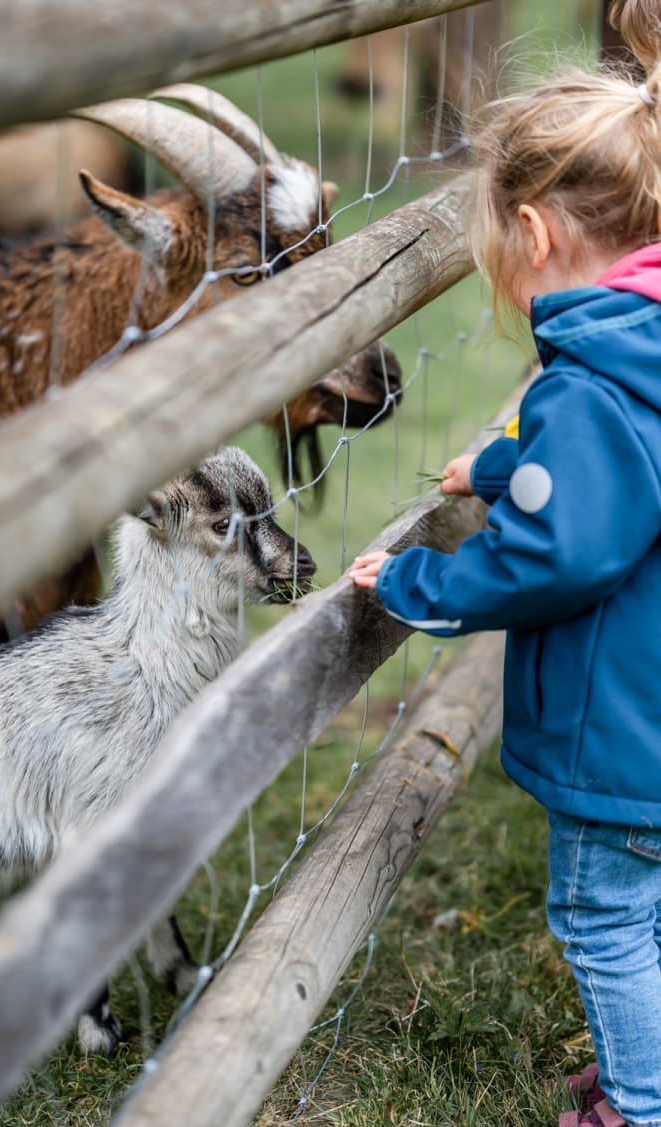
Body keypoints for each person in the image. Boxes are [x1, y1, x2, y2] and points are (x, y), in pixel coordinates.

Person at [350, 2, 661, 1124]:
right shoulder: (645, 349)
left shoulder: (587, 385)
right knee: (654, 908)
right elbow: (621, 471)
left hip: (623, 736)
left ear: (534, 237)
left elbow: (563, 545)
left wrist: (420, 587)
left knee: (603, 915)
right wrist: (504, 462)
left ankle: (639, 1100)